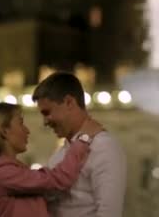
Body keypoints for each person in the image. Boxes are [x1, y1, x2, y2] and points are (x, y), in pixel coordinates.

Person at [0, 102, 102, 217]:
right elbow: (58, 180)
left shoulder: (8, 169)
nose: (27, 131)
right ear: (4, 131)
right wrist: (83, 139)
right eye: (21, 123)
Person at [33, 72, 127, 217]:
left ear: (69, 102)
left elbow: (109, 212)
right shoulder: (62, 152)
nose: (45, 122)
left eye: (47, 112)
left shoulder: (103, 146)